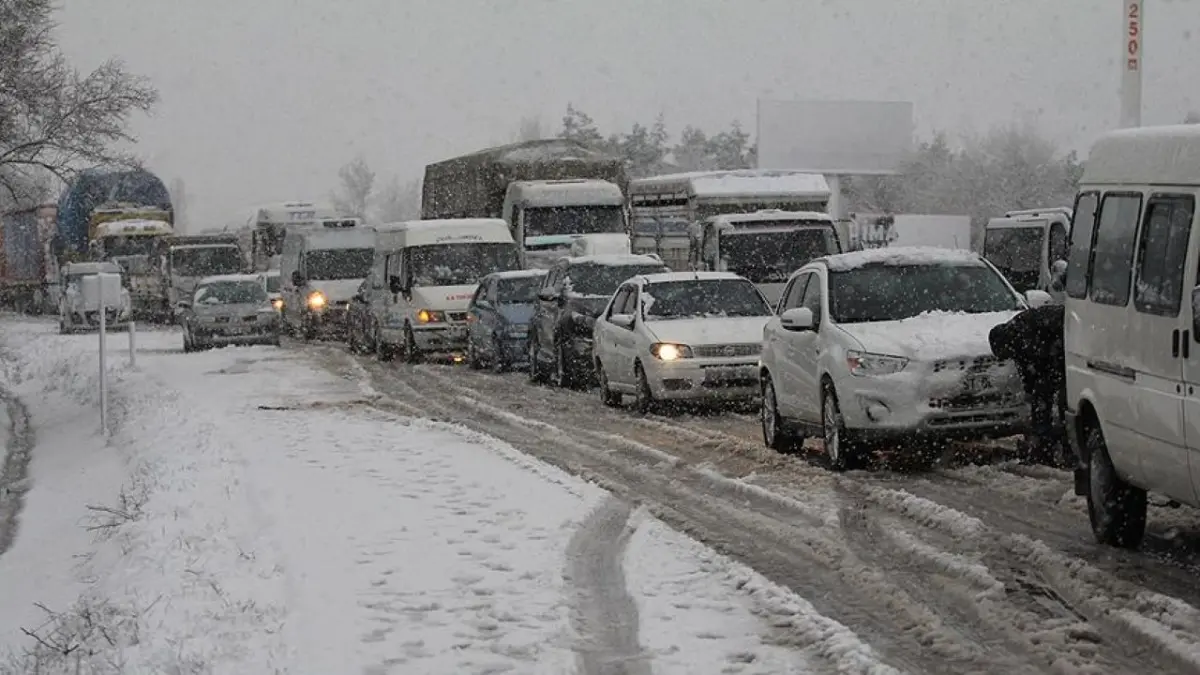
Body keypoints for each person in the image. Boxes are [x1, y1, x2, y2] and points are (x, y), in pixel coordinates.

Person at [988, 303, 1067, 466]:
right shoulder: (1016, 343)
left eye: (1005, 354)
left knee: (1062, 401)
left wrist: (1041, 391)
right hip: (1053, 349)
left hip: (1065, 337)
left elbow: (1043, 364)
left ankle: (1060, 446)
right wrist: (1030, 392)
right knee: (1041, 398)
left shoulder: (1025, 332)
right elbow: (1027, 371)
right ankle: (1045, 443)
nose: (1007, 357)